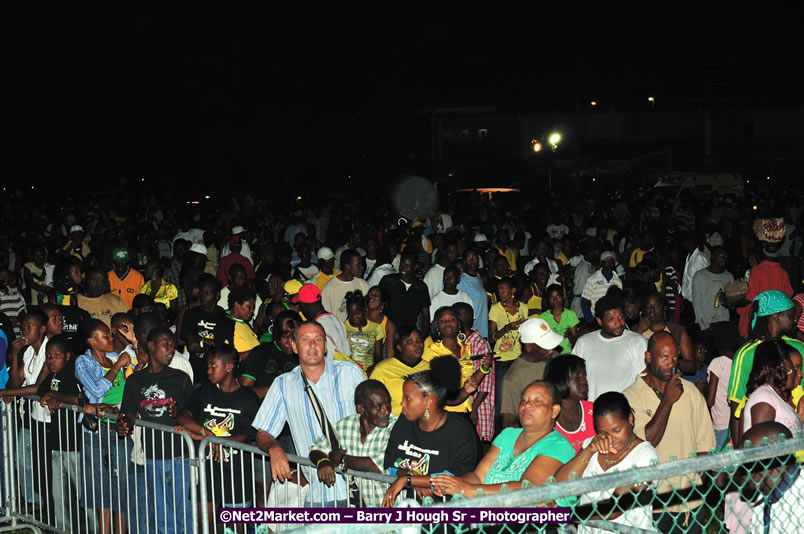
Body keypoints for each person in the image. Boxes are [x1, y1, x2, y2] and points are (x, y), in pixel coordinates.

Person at [253, 320, 366, 506]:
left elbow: (375, 420)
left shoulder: (350, 374)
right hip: (318, 494)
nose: (312, 345)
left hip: (359, 486)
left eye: (318, 339)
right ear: (294, 347)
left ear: (326, 346)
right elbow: (263, 432)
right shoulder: (283, 385)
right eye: (305, 340)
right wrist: (274, 449)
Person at [623, 332, 716, 533]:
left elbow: (705, 447)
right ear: (648, 358)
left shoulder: (691, 392)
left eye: (675, 357)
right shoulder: (630, 398)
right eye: (665, 357)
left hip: (689, 503)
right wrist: (667, 401)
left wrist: (692, 483)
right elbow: (644, 444)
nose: (672, 363)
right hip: (650, 503)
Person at [431, 380, 575, 498]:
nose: (527, 404)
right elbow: (478, 477)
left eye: (538, 401)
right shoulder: (508, 435)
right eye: (524, 400)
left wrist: (467, 490)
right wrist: (452, 483)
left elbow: (528, 488)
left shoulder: (558, 445)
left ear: (555, 410)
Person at [115, 328, 193, 534]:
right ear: (150, 346)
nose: (171, 348)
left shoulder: (181, 378)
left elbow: (193, 413)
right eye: (165, 343)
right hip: (152, 457)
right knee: (162, 517)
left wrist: (181, 411)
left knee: (183, 516)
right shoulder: (135, 381)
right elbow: (128, 413)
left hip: (180, 457)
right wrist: (122, 424)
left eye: (172, 344)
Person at [177, 345, 260, 530]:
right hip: (208, 472)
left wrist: (211, 440)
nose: (208, 370)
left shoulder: (248, 397)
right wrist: (207, 433)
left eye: (213, 365)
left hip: (237, 474)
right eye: (208, 366)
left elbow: (244, 437)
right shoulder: (204, 392)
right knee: (204, 526)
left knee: (237, 528)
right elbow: (183, 415)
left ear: (229, 367)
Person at [554, 392, 659, 534]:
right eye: (603, 432)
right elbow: (559, 484)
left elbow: (614, 508)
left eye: (616, 430)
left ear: (630, 418)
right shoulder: (592, 445)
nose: (611, 438)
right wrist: (589, 449)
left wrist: (570, 514)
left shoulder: (645, 455)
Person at [382, 356, 479, 506]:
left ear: (428, 402)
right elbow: (391, 465)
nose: (401, 403)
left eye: (407, 398)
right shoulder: (405, 422)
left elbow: (458, 477)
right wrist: (412, 477)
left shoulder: (459, 430)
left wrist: (408, 480)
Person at [74, 318, 134, 534]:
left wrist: (133, 340)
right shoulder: (83, 362)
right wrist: (118, 367)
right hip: (97, 431)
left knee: (122, 484)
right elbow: (97, 389)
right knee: (100, 487)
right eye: (105, 335)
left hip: (119, 427)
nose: (110, 338)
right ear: (92, 340)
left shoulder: (115, 356)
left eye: (110, 334)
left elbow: (140, 371)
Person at [727, 290, 804, 444]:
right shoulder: (747, 353)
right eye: (790, 315)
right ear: (775, 316)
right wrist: (738, 455)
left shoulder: (798, 348)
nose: (796, 319)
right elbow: (736, 407)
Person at [310, 380, 397, 508]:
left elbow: (379, 464)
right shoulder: (346, 425)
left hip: (394, 510)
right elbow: (316, 448)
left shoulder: (396, 426)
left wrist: (342, 460)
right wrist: (323, 461)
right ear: (360, 409)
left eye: (388, 405)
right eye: (378, 407)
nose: (386, 411)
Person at [573, 292, 648, 401]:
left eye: (621, 317)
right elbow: (575, 379)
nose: (619, 323)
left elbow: (644, 382)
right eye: (611, 320)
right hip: (591, 411)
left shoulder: (638, 342)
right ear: (599, 321)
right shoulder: (584, 342)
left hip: (624, 411)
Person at [422, 306, 492, 414]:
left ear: (459, 324)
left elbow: (470, 383)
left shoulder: (466, 348)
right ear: (437, 326)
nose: (448, 323)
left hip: (465, 410)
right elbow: (433, 391)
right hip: (443, 413)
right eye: (442, 320)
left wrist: (484, 368)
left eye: (452, 319)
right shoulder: (431, 352)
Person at [500, 318, 564, 429]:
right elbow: (509, 422)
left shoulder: (555, 358)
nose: (552, 350)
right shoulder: (513, 378)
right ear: (529, 347)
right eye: (546, 346)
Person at [453, 302, 496, 443]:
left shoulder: (480, 345)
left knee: (478, 446)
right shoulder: (457, 343)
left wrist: (474, 408)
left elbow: (485, 385)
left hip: (478, 406)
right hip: (463, 404)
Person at [743, 339, 804, 435]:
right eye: (793, 367)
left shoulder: (775, 396)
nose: (799, 373)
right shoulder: (764, 396)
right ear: (780, 367)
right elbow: (763, 445)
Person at [489, 276, 528, 420]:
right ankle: (499, 434)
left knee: (520, 398)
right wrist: (507, 328)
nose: (500, 293)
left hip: (519, 358)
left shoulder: (523, 308)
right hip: (501, 360)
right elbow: (491, 338)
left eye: (503, 290)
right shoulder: (495, 309)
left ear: (513, 291)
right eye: (499, 291)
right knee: (501, 401)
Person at [239, 310, 301, 399]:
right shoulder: (261, 352)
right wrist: (275, 389)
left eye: (294, 338)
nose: (290, 342)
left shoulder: (304, 356)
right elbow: (242, 392)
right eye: (285, 337)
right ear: (277, 335)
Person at [370, 327, 431, 416]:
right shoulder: (383, 369)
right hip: (394, 423)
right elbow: (371, 402)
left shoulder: (431, 368)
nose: (417, 344)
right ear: (399, 347)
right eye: (410, 341)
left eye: (419, 340)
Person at [181, 273, 228, 384]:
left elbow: (221, 346)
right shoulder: (191, 314)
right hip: (196, 374)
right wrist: (210, 342)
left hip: (218, 375)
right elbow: (192, 346)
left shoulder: (223, 317)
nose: (203, 297)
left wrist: (200, 340)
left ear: (217, 295)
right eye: (202, 293)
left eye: (207, 293)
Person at [545, 354, 595, 453]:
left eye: (584, 375)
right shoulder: (546, 420)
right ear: (559, 380)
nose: (584, 381)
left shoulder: (594, 411)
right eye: (577, 377)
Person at [635, 293, 696, 374]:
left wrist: (671, 360)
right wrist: (639, 332)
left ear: (664, 309)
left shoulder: (677, 331)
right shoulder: (636, 329)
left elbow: (691, 367)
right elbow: (627, 359)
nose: (651, 309)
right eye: (648, 306)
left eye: (656, 305)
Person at [379, 249, 430, 334]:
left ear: (415, 267)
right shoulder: (388, 281)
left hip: (408, 335)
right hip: (387, 332)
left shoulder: (421, 288)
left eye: (407, 265)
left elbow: (426, 316)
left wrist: (422, 336)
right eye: (402, 264)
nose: (403, 267)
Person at [295, 283, 352, 359]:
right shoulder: (336, 320)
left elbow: (327, 363)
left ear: (303, 305)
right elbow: (348, 355)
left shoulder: (319, 329)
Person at [691, 246, 734, 334]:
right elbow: (696, 302)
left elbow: (732, 301)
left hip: (724, 322)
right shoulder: (700, 276)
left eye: (725, 257)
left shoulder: (729, 277)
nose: (724, 259)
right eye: (721, 256)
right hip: (707, 323)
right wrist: (703, 325)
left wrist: (729, 303)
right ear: (713, 257)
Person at [321, 249, 369, 323]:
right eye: (358, 264)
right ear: (347, 266)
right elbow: (326, 318)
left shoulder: (363, 284)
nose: (362, 267)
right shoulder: (329, 288)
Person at [214, 284, 260, 360]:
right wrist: (255, 352)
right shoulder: (225, 324)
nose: (252, 311)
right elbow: (225, 357)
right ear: (236, 305)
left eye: (253, 307)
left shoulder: (245, 323)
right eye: (249, 307)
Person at [344, 290, 384, 371]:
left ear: (364, 309)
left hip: (370, 372)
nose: (354, 317)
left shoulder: (376, 328)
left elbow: (378, 355)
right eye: (351, 313)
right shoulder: (343, 328)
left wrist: (373, 369)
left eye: (358, 313)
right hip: (349, 371)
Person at [581, 250, 622, 324]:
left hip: (612, 320)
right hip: (596, 320)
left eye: (611, 260)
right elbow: (585, 302)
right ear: (601, 263)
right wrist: (590, 321)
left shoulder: (618, 281)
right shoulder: (592, 279)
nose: (609, 263)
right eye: (606, 261)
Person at [457, 248, 489, 338]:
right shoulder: (461, 280)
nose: (472, 260)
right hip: (471, 329)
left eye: (474, 257)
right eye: (468, 258)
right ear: (464, 262)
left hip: (482, 327)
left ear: (478, 260)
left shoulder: (478, 277)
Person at [539, 283, 580, 355]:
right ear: (548, 299)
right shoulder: (543, 317)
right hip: (550, 354)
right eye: (552, 297)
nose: (555, 300)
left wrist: (568, 335)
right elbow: (542, 340)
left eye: (558, 296)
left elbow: (575, 341)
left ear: (563, 296)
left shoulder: (571, 314)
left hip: (567, 353)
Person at [365, 286, 397, 358]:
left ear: (383, 301)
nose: (372, 297)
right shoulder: (358, 316)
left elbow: (390, 354)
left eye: (376, 295)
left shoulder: (389, 325)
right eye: (371, 294)